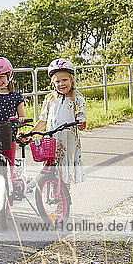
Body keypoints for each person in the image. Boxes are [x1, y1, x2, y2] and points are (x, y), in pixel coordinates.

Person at [27, 58, 87, 187]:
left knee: (65, 174)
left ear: (71, 80)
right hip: (52, 141)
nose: (61, 84)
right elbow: (43, 120)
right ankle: (50, 194)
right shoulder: (50, 98)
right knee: (49, 170)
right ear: (53, 83)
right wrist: (30, 133)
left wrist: (81, 122)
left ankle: (63, 202)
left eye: (64, 80)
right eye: (57, 81)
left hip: (68, 140)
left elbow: (82, 120)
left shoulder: (78, 98)